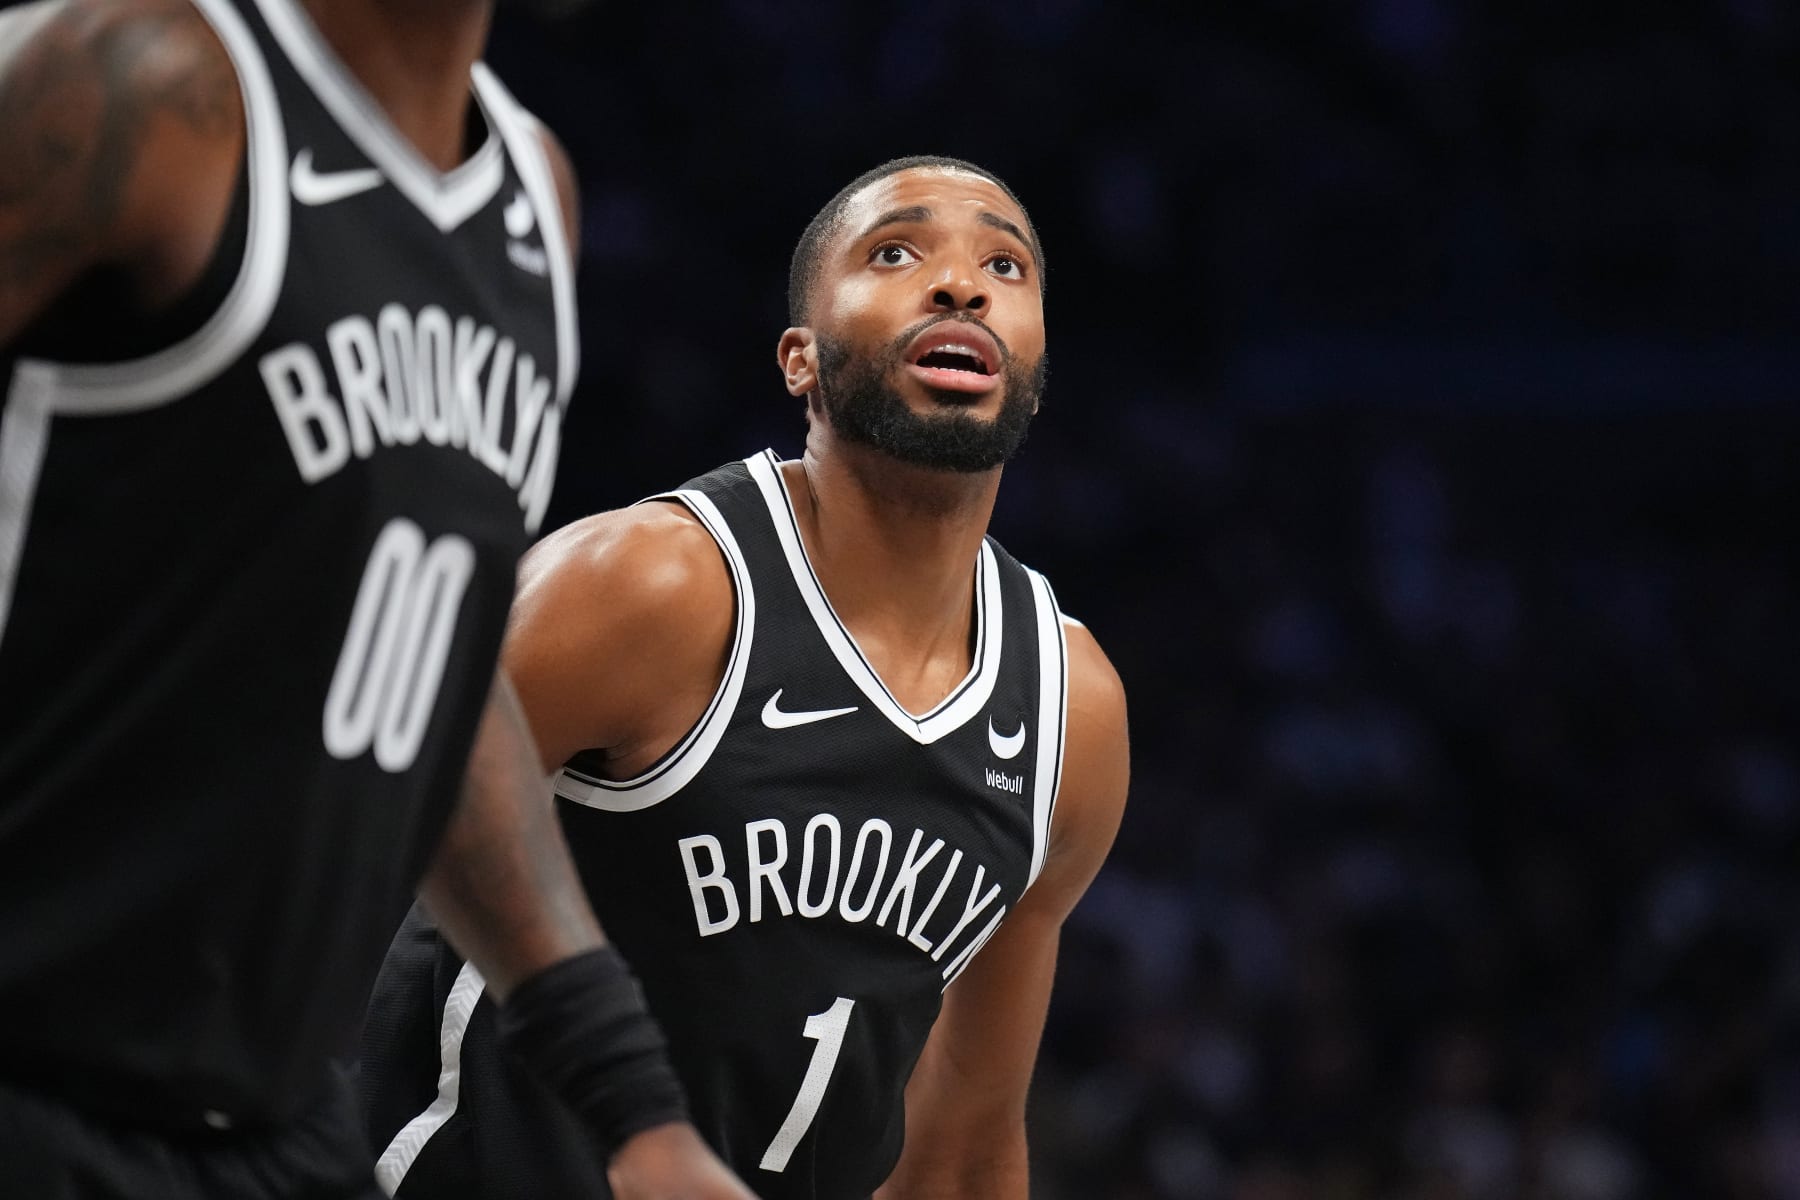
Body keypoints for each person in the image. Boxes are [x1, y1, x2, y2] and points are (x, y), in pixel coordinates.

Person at [0, 2, 755, 1197]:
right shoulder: (128, 78)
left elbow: (430, 667)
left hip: (271, 1126)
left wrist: (632, 1102)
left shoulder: (530, 198)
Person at [360, 155, 1132, 1199]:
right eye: (896, 252)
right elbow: (331, 857)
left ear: (1036, 363)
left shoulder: (1069, 713)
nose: (962, 284)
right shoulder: (646, 586)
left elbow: (960, 1150)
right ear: (799, 362)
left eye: (1007, 263)